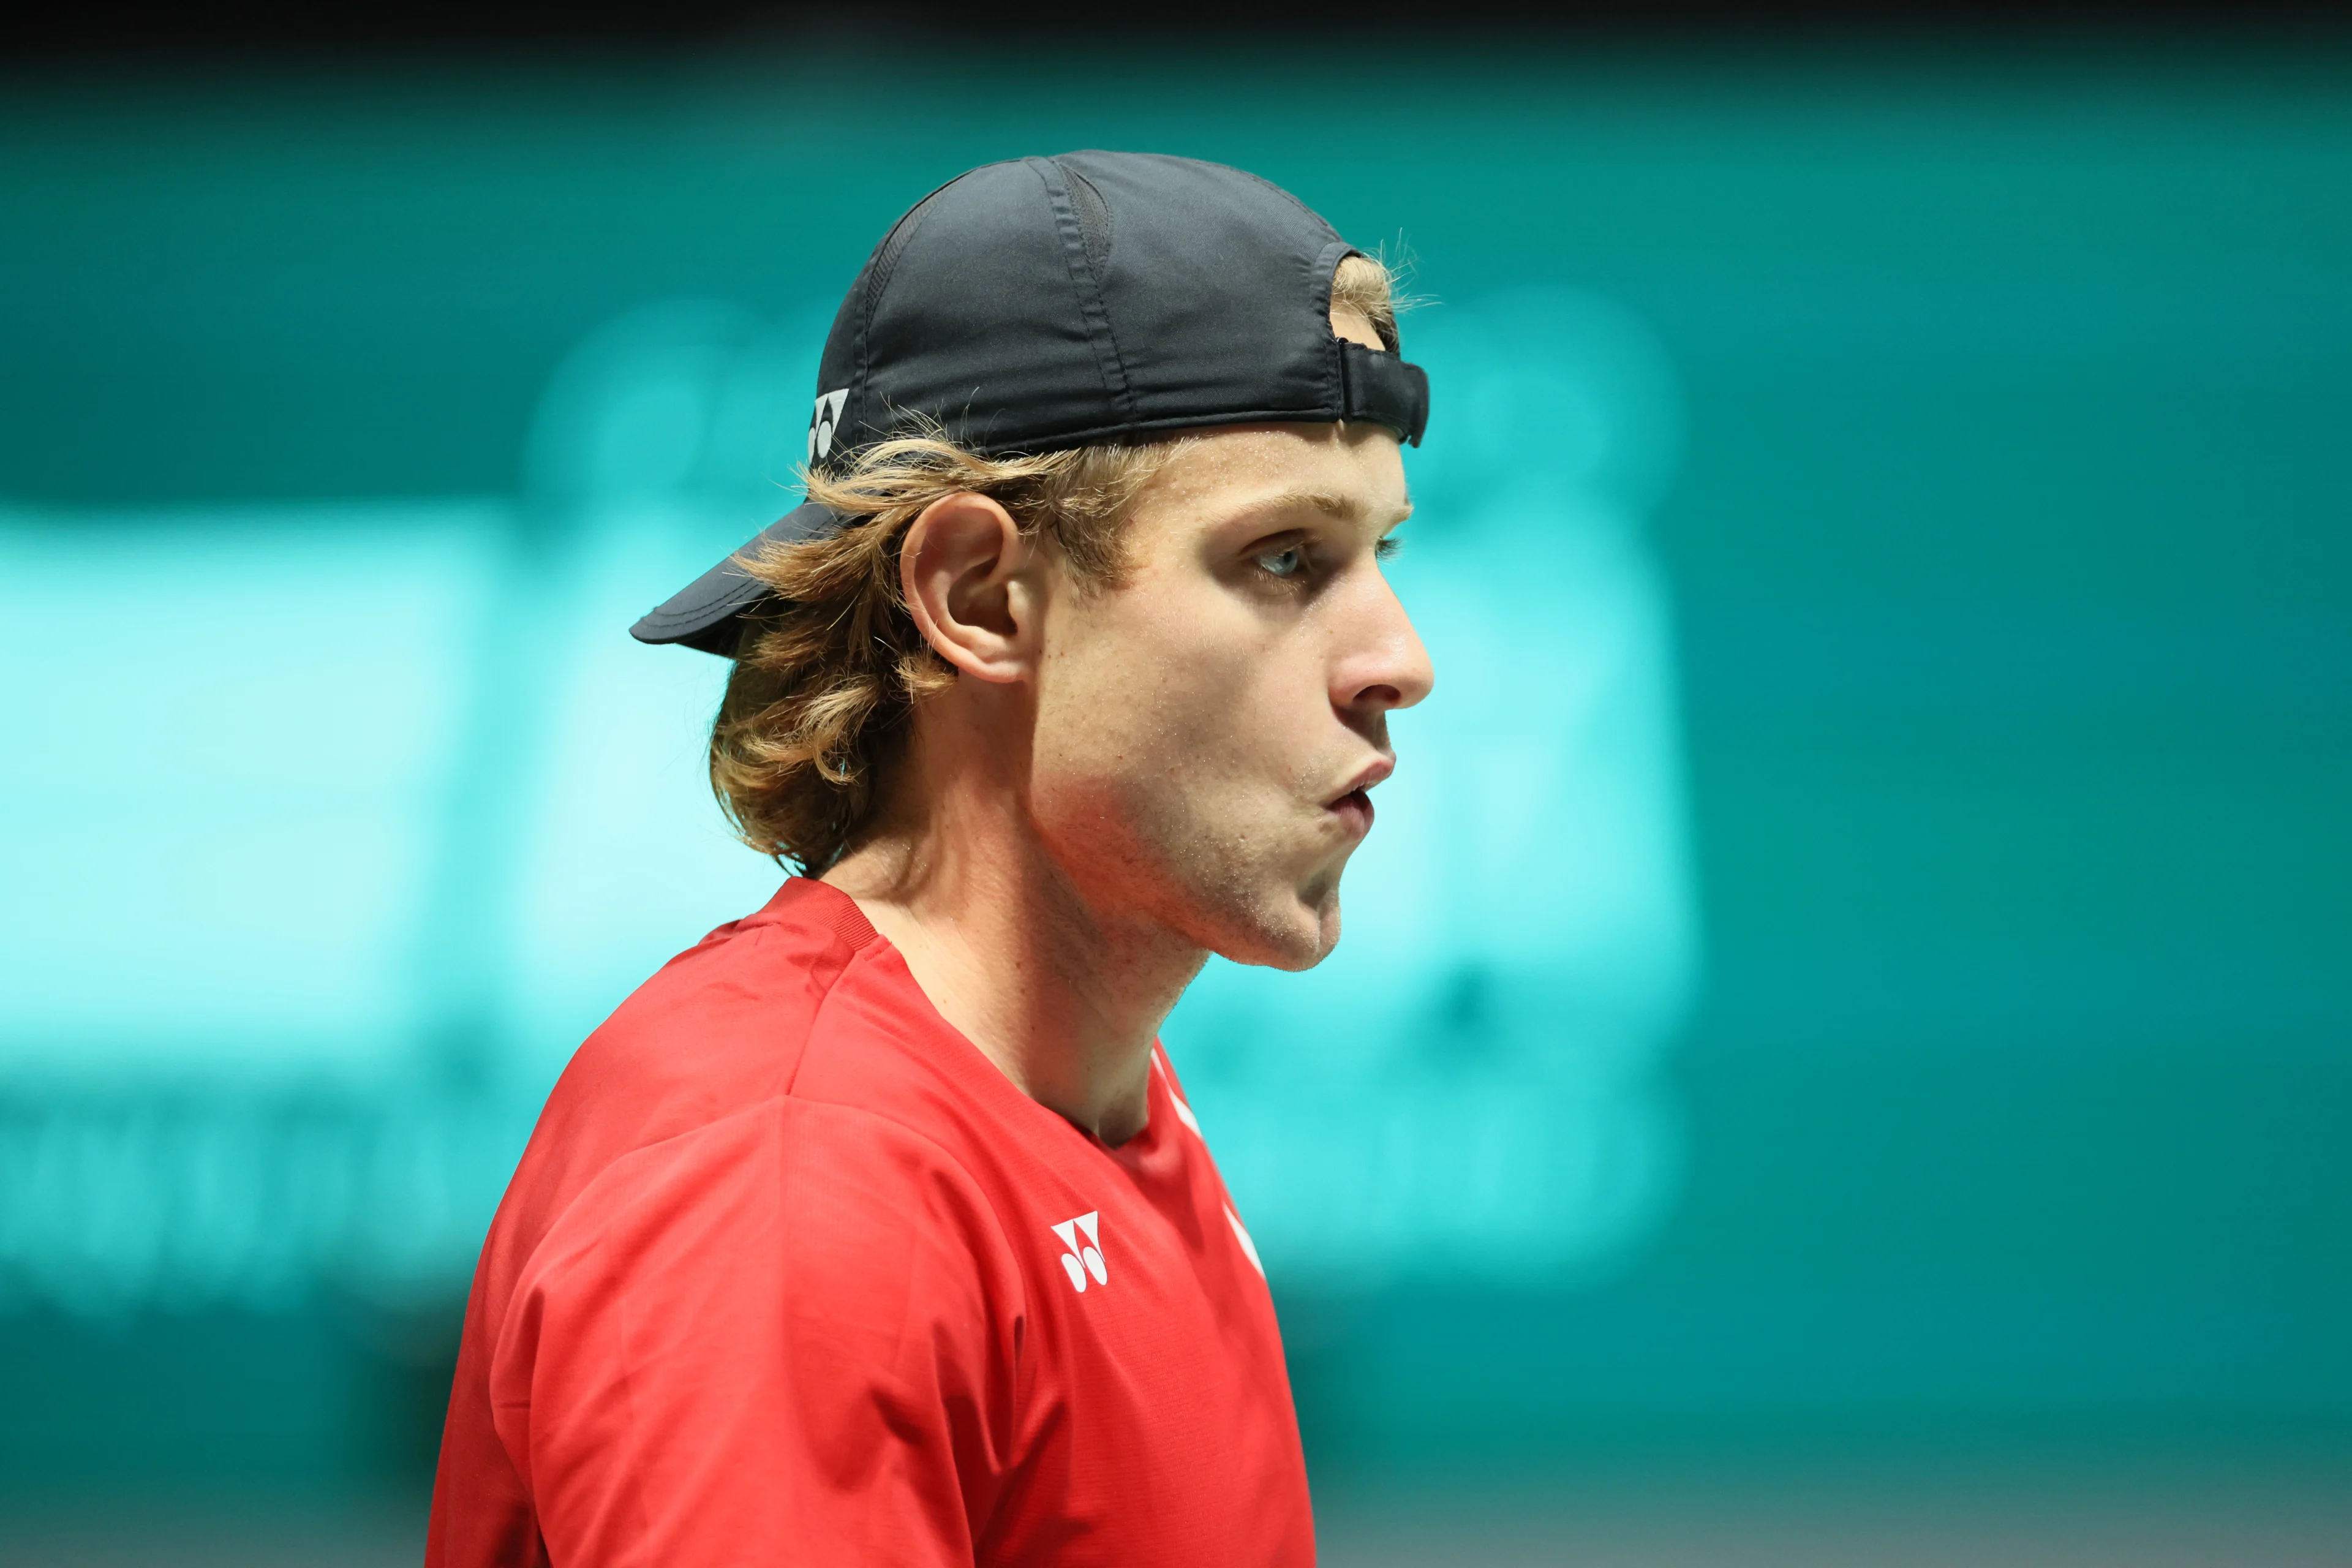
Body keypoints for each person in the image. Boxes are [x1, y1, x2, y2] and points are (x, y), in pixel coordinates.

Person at [425, 150, 1434, 1567]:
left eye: (1385, 549)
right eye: (1282, 558)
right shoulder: (792, 1188)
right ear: (977, 595)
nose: (1402, 659)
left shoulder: (1086, 1096)